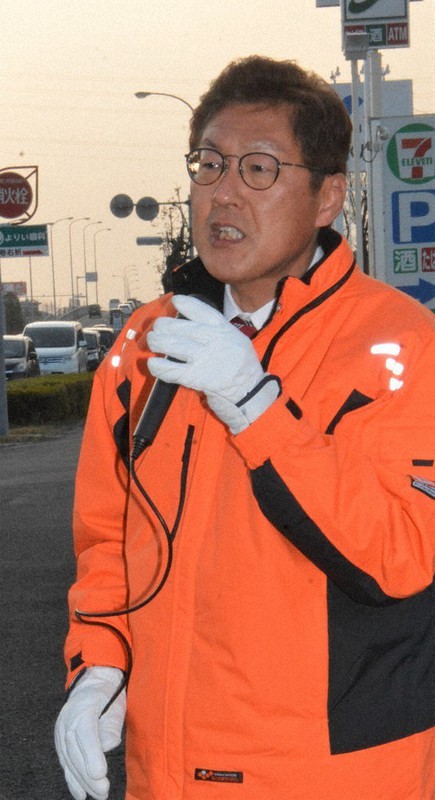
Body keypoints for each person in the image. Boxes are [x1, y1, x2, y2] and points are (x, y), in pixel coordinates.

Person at [54, 55, 435, 800]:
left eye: (259, 169)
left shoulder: (401, 346)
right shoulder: (144, 343)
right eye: (209, 164)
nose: (223, 193)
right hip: (168, 769)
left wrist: (255, 405)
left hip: (333, 777)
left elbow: (400, 554)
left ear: (328, 196)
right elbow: (107, 538)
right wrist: (99, 665)